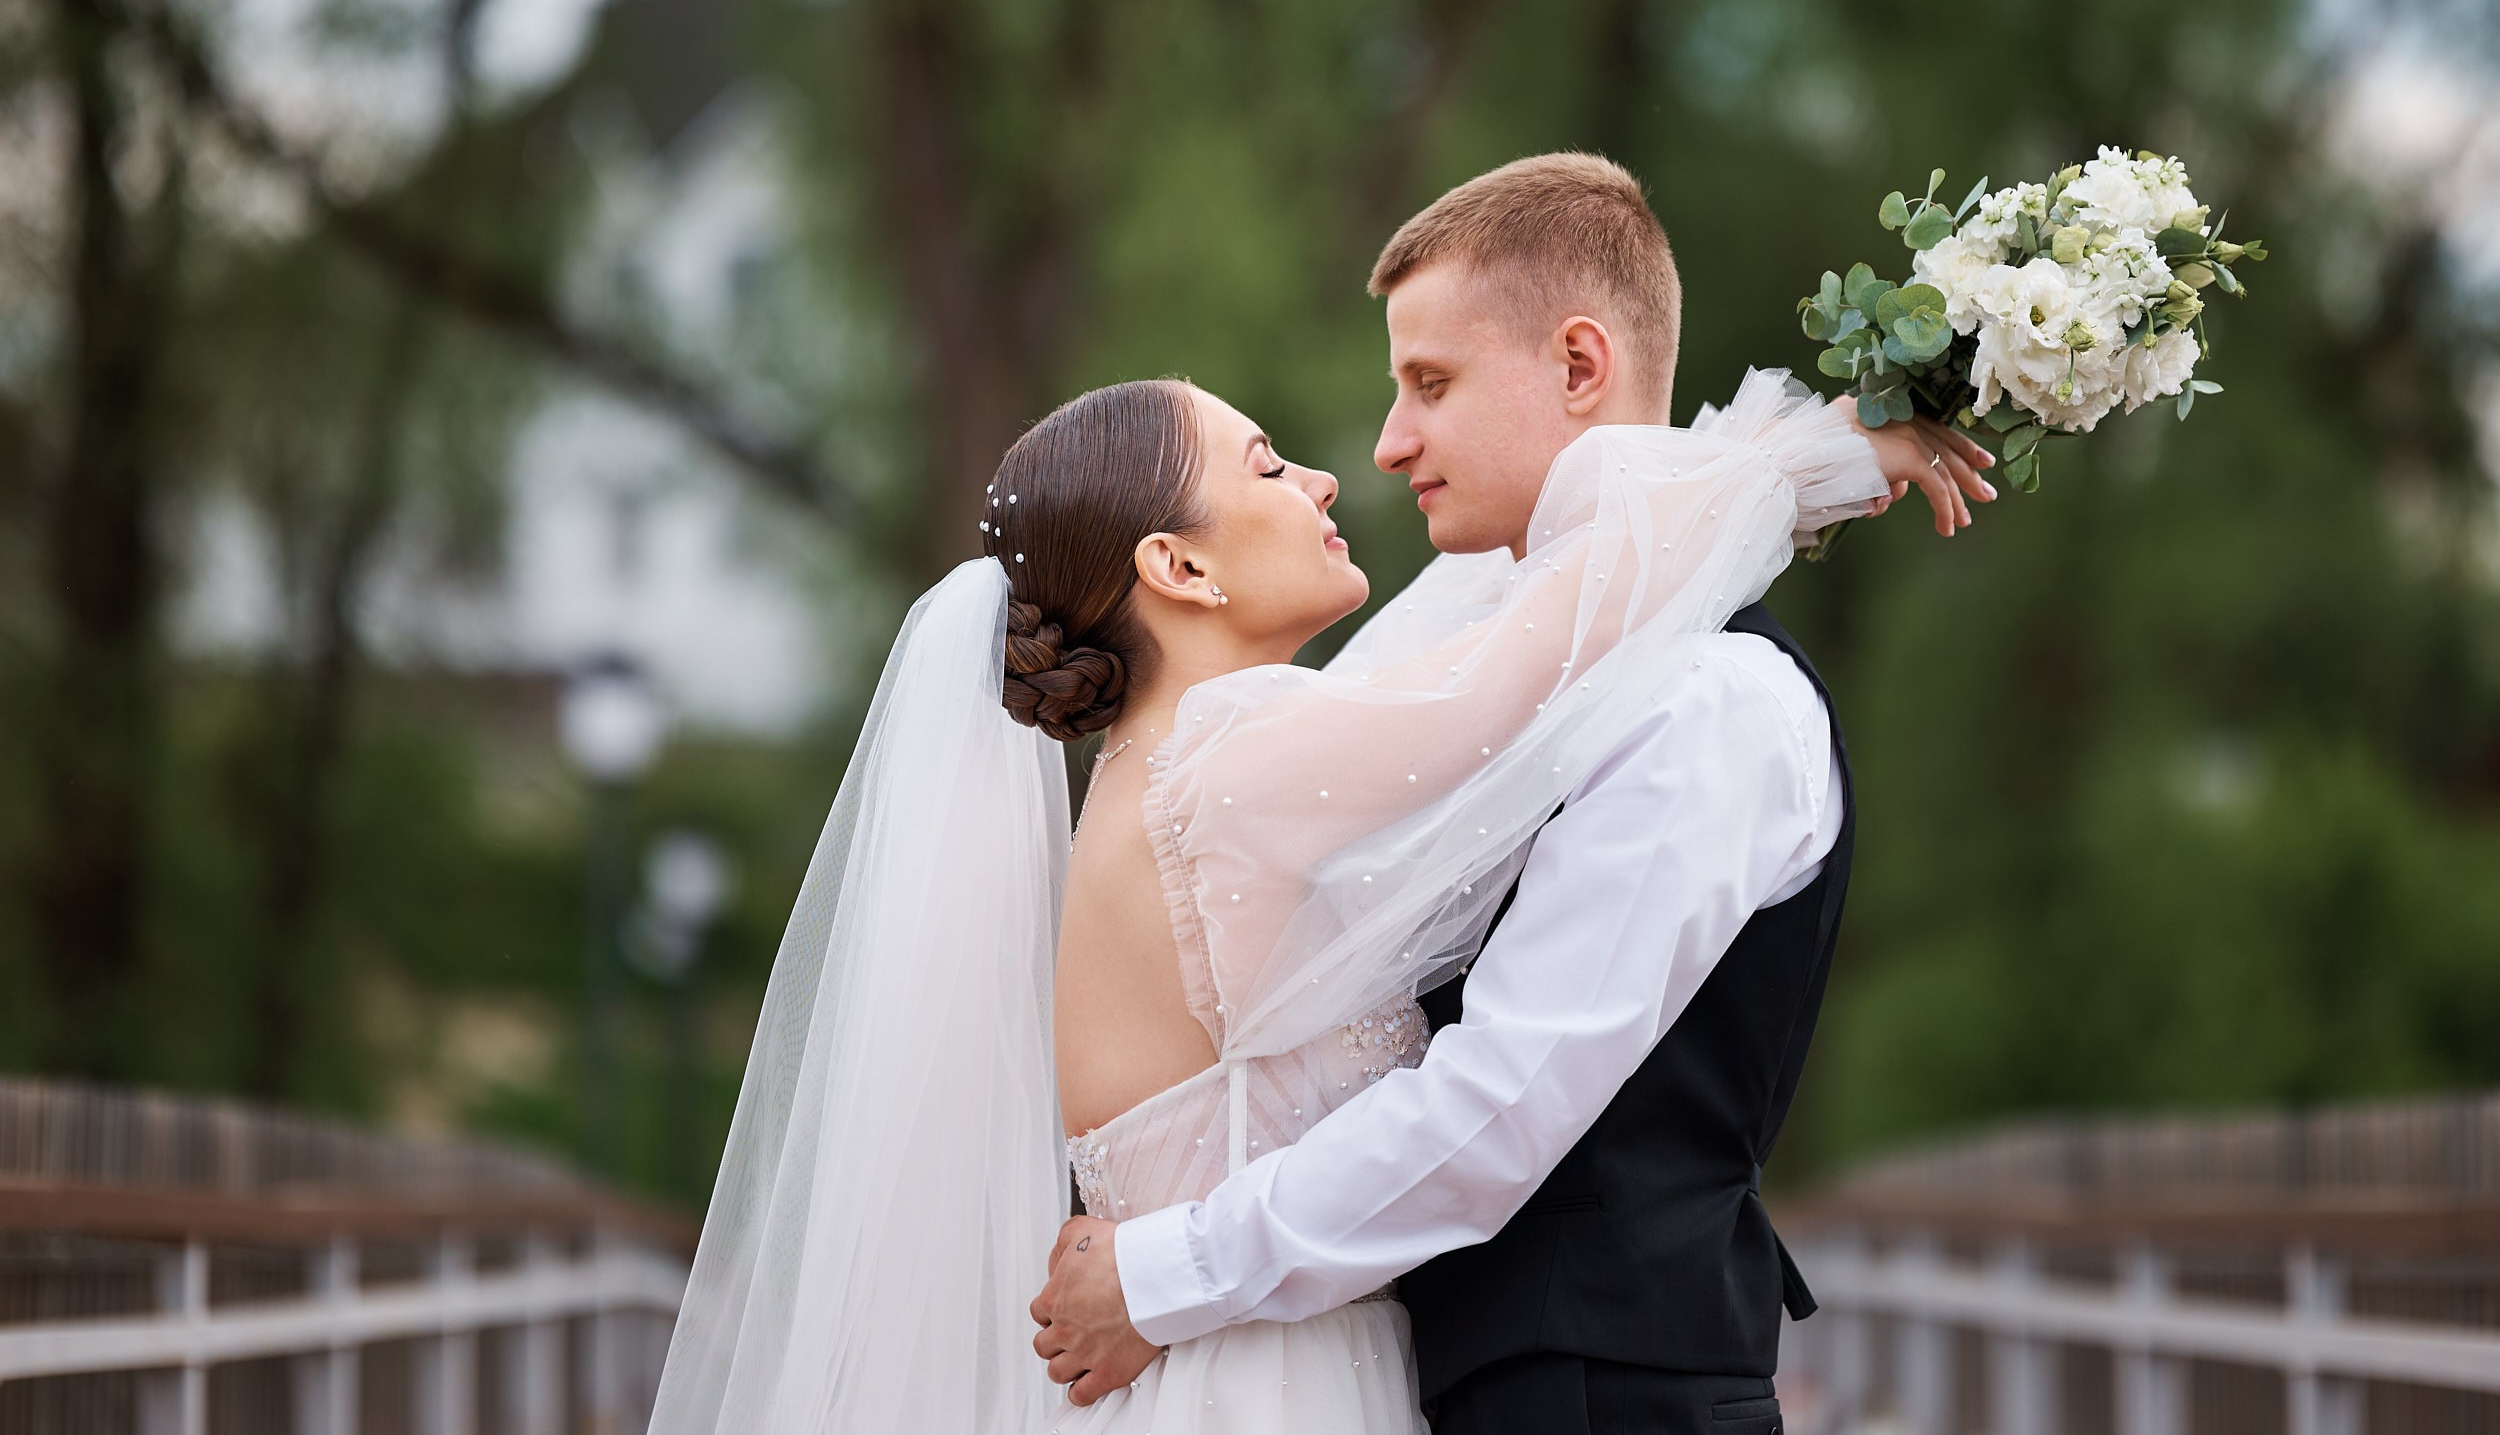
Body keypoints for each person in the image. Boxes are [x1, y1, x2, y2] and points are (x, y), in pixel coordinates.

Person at [646, 152, 1991, 1435]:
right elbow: (1518, 649)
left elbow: (1521, 601)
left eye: (1429, 382)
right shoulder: (1229, 765)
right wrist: (1795, 465)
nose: (1356, 460)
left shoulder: (1226, 754)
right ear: (1179, 569)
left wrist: (1808, 463)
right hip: (1266, 1381)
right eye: (1270, 466)